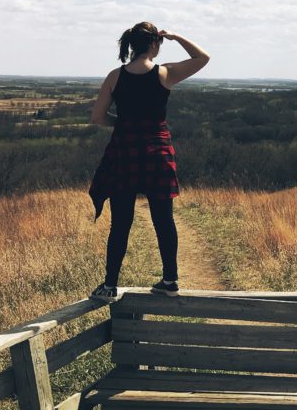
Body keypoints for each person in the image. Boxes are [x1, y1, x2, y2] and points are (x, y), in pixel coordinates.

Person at [87, 22, 210, 301]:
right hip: (157, 151)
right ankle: (169, 280)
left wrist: (125, 123)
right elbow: (203, 58)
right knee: (163, 219)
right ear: (155, 43)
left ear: (131, 45)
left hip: (124, 151)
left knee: (121, 222)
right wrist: (177, 36)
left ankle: (109, 285)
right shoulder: (164, 73)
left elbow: (97, 117)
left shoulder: (115, 76)